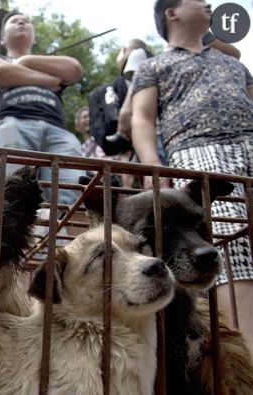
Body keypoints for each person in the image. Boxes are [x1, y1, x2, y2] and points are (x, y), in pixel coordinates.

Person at [131, 0, 253, 353]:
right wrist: (155, 169)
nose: (208, 3)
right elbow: (142, 118)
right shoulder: (154, 65)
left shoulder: (233, 63)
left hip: (249, 143)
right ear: (171, 12)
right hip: (197, 153)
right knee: (230, 250)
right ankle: (245, 356)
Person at [0, 11, 84, 206]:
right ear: (2, 38)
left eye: (26, 21)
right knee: (12, 193)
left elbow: (75, 69)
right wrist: (51, 80)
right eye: (14, 21)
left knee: (73, 197)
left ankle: (69, 237)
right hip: (11, 124)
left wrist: (25, 62)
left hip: (59, 132)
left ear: (34, 37)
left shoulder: (44, 62)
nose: (21, 22)